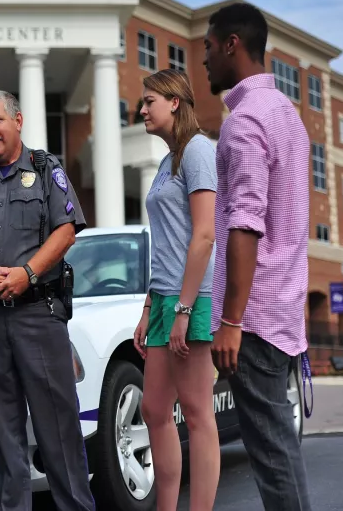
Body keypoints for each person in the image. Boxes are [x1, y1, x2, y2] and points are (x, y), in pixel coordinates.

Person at [0, 90, 95, 511]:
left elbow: (66, 231)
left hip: (38, 318)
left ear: (18, 120)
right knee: (5, 439)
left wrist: (27, 274)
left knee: (59, 432)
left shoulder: (45, 170)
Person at [204, 1, 312, 510]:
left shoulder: (244, 121)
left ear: (232, 44)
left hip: (254, 319)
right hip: (282, 309)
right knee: (279, 449)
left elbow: (245, 222)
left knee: (271, 454)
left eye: (206, 47)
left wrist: (230, 319)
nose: (202, 60)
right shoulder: (288, 116)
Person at [132, 68, 220, 510]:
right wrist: (151, 306)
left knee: (199, 412)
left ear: (174, 103)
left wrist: (184, 309)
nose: (141, 109)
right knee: (153, 409)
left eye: (149, 101)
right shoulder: (168, 161)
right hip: (166, 297)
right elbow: (166, 240)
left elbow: (203, 236)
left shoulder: (199, 151)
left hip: (193, 298)